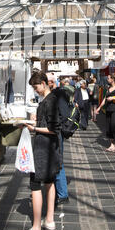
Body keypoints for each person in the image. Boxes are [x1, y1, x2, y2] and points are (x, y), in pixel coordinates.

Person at [16, 71, 61, 230]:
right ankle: (49, 220)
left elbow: (53, 129)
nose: (35, 91)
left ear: (43, 83)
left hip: (43, 150)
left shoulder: (49, 101)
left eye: (36, 87)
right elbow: (49, 125)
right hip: (51, 149)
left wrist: (33, 128)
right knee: (49, 182)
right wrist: (33, 123)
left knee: (35, 185)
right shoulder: (50, 100)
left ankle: (36, 229)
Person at [47, 73, 70, 206]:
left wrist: (54, 124)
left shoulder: (59, 94)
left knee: (58, 161)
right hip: (54, 131)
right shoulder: (55, 94)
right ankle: (58, 191)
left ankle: (62, 194)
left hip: (56, 132)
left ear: (50, 82)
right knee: (55, 160)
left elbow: (64, 114)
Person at [96, 73, 115, 152]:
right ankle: (112, 145)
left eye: (109, 78)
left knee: (114, 125)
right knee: (109, 127)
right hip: (108, 109)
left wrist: (113, 98)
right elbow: (104, 99)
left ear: (113, 79)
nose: (107, 79)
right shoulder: (108, 88)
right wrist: (99, 108)